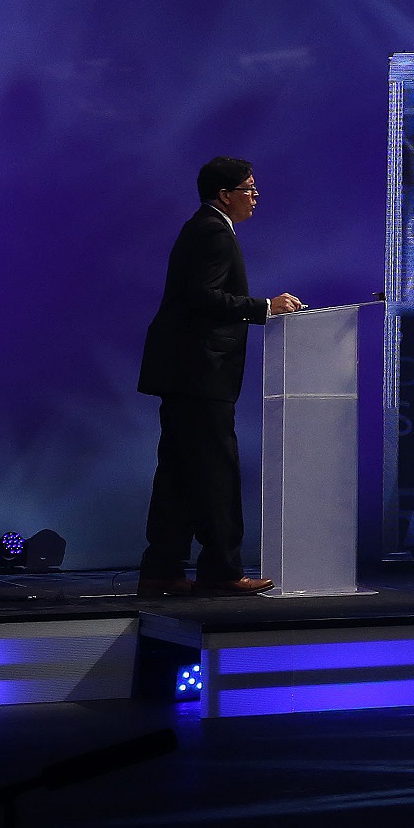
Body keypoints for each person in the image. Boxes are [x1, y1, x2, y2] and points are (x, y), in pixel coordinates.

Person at [136, 157, 304, 595]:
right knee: (215, 472)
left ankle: (162, 570)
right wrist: (263, 307)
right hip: (200, 374)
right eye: (248, 189)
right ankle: (222, 571)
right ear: (224, 195)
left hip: (184, 375)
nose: (255, 197)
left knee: (178, 473)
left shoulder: (202, 227)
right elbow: (203, 297)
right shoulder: (212, 230)